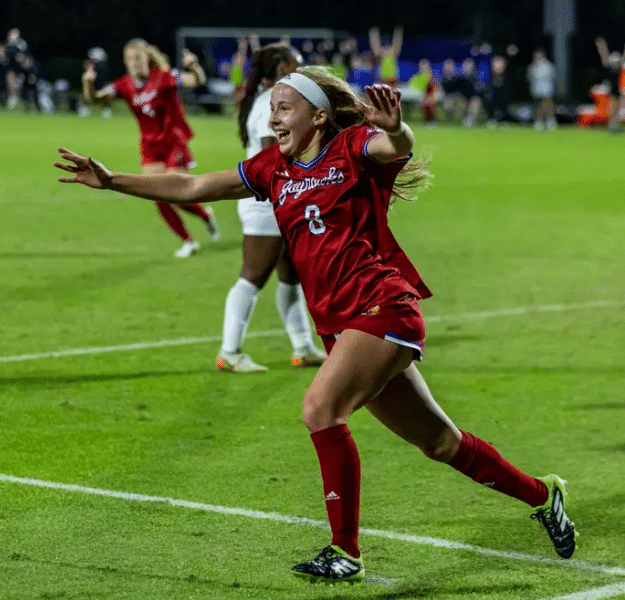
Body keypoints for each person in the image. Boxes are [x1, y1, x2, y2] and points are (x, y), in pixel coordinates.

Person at [55, 66, 577, 584]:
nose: (274, 116)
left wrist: (395, 128)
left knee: (320, 409)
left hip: (382, 308)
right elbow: (192, 184)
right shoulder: (271, 170)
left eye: (285, 107)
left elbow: (397, 147)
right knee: (441, 443)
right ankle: (542, 494)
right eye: (273, 107)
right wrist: (111, 181)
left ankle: (344, 551)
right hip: (342, 326)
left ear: (319, 116)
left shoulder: (353, 149)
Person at [217, 42, 327, 373]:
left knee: (290, 276)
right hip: (267, 201)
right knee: (253, 275)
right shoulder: (272, 103)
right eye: (297, 61)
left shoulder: (270, 100)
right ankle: (230, 351)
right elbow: (273, 155)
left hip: (279, 198)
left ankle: (303, 346)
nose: (302, 65)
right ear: (282, 67)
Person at [82, 38, 220, 258]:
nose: (134, 62)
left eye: (138, 58)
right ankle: (188, 240)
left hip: (174, 141)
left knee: (178, 194)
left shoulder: (164, 78)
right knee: (158, 196)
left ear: (147, 59)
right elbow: (95, 99)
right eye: (130, 59)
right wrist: (88, 83)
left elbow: (196, 80)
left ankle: (204, 215)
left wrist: (194, 67)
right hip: (150, 147)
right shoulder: (123, 85)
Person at [595, 37, 625, 133]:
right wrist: (601, 46)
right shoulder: (609, 67)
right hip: (612, 90)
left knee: (618, 110)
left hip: (618, 89)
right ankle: (612, 125)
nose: (615, 63)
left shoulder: (620, 68)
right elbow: (604, 55)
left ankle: (615, 125)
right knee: (612, 109)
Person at [527, 48, 557, 130]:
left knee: (548, 105)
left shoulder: (548, 65)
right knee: (538, 106)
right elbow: (530, 77)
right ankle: (538, 121)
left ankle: (550, 120)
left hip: (546, 89)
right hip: (536, 89)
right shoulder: (532, 66)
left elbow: (551, 76)